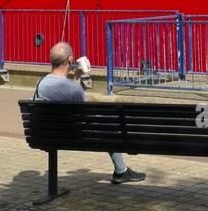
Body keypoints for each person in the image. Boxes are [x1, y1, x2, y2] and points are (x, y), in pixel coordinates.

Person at [36, 42, 146, 184]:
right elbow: (84, 114)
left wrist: (76, 79)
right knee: (110, 123)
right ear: (70, 60)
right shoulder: (72, 89)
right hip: (76, 137)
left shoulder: (41, 83)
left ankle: (121, 170)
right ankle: (123, 166)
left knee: (105, 123)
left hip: (47, 136)